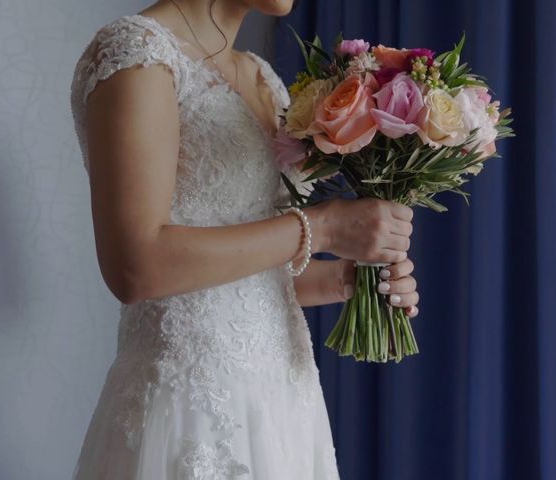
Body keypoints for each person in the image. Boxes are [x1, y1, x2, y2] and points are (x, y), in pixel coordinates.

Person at [69, 0, 419, 478]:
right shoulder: (139, 54)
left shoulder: (260, 76)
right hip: (190, 409)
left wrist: (347, 280)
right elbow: (137, 265)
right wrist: (326, 227)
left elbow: (250, 281)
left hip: (282, 405)